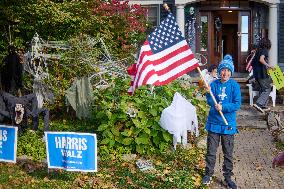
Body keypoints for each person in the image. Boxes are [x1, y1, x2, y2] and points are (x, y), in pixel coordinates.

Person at [202, 54, 241, 189]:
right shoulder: (214, 84)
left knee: (228, 153)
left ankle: (228, 177)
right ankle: (208, 174)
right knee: (211, 151)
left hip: (228, 124)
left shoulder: (234, 86)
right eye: (223, 70)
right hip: (214, 123)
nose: (225, 73)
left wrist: (223, 107)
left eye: (228, 70)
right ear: (219, 71)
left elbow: (237, 104)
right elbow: (209, 100)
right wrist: (208, 93)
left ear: (231, 72)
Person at [251, 38, 274, 113]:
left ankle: (262, 106)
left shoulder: (258, 51)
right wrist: (269, 66)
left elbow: (253, 63)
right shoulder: (264, 50)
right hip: (262, 74)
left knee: (262, 88)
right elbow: (261, 59)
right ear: (267, 44)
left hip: (256, 74)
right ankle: (259, 104)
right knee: (267, 89)